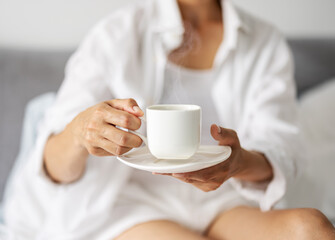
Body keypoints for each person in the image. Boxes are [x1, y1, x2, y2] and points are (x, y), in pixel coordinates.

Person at [3, 0, 335, 239]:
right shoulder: (118, 35)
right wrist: (78, 134)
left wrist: (238, 163)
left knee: (313, 229)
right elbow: (52, 168)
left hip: (224, 203)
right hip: (132, 208)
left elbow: (283, 148)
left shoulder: (264, 42)